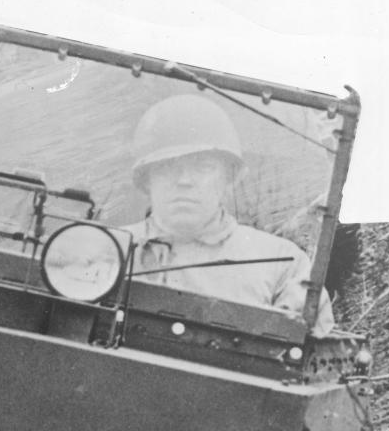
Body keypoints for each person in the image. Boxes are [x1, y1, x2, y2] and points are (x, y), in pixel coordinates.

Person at [126, 94, 335, 336]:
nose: (184, 180)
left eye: (203, 167)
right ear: (145, 180)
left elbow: (311, 361)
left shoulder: (282, 263)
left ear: (229, 179)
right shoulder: (104, 250)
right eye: (166, 167)